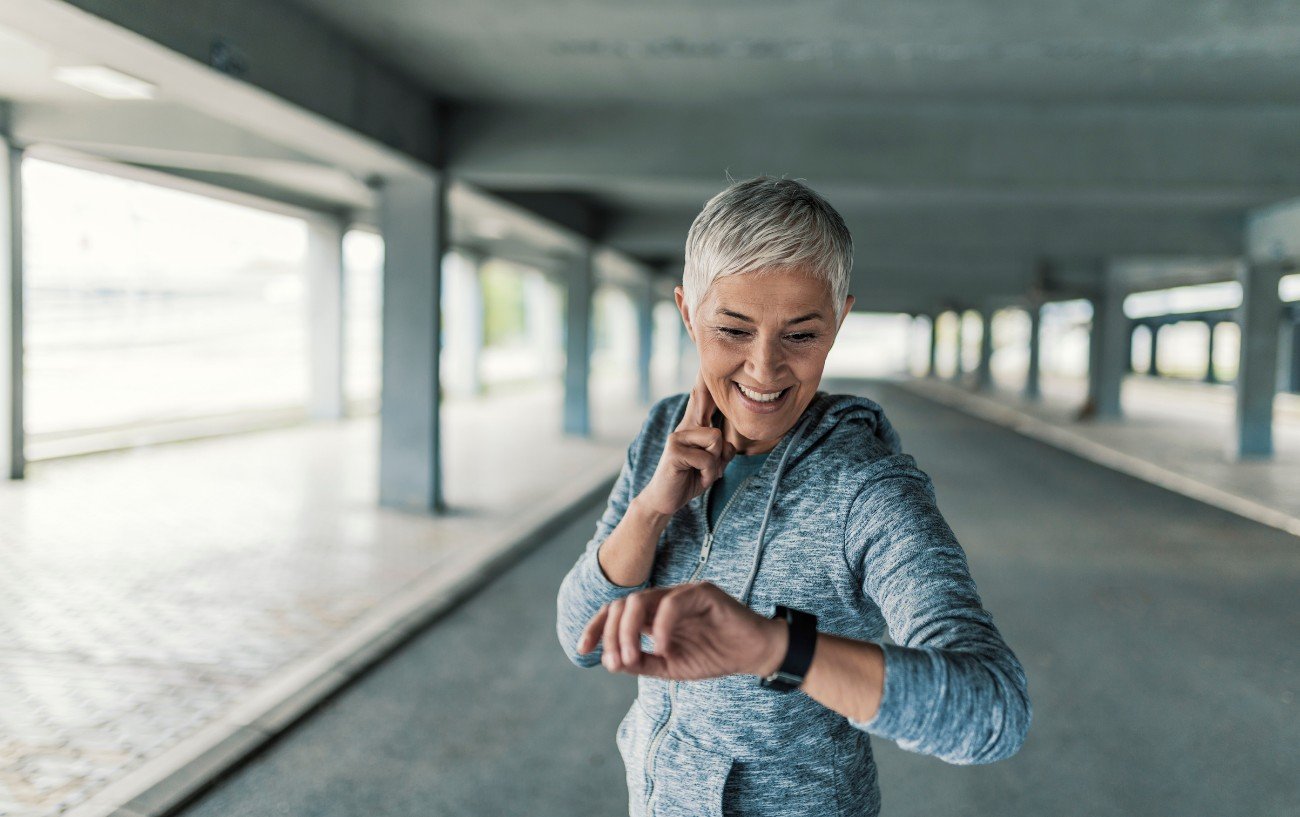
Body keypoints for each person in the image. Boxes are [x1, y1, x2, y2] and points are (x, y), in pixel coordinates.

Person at [555, 176, 1031, 817]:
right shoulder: (666, 434)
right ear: (688, 315)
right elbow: (577, 637)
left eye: (801, 335)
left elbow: (993, 712)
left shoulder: (868, 490)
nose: (764, 368)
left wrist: (776, 646)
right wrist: (651, 508)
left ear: (839, 321)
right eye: (732, 330)